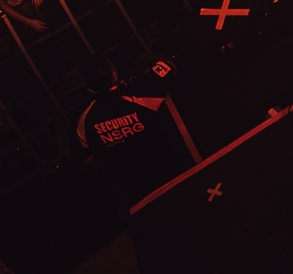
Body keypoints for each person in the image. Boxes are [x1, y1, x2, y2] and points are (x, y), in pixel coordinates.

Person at [73, 55, 201, 201]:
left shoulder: (82, 118)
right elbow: (167, 65)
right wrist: (142, 64)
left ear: (89, 86)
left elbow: (85, 159)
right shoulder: (138, 92)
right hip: (171, 176)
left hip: (132, 194)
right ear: (114, 74)